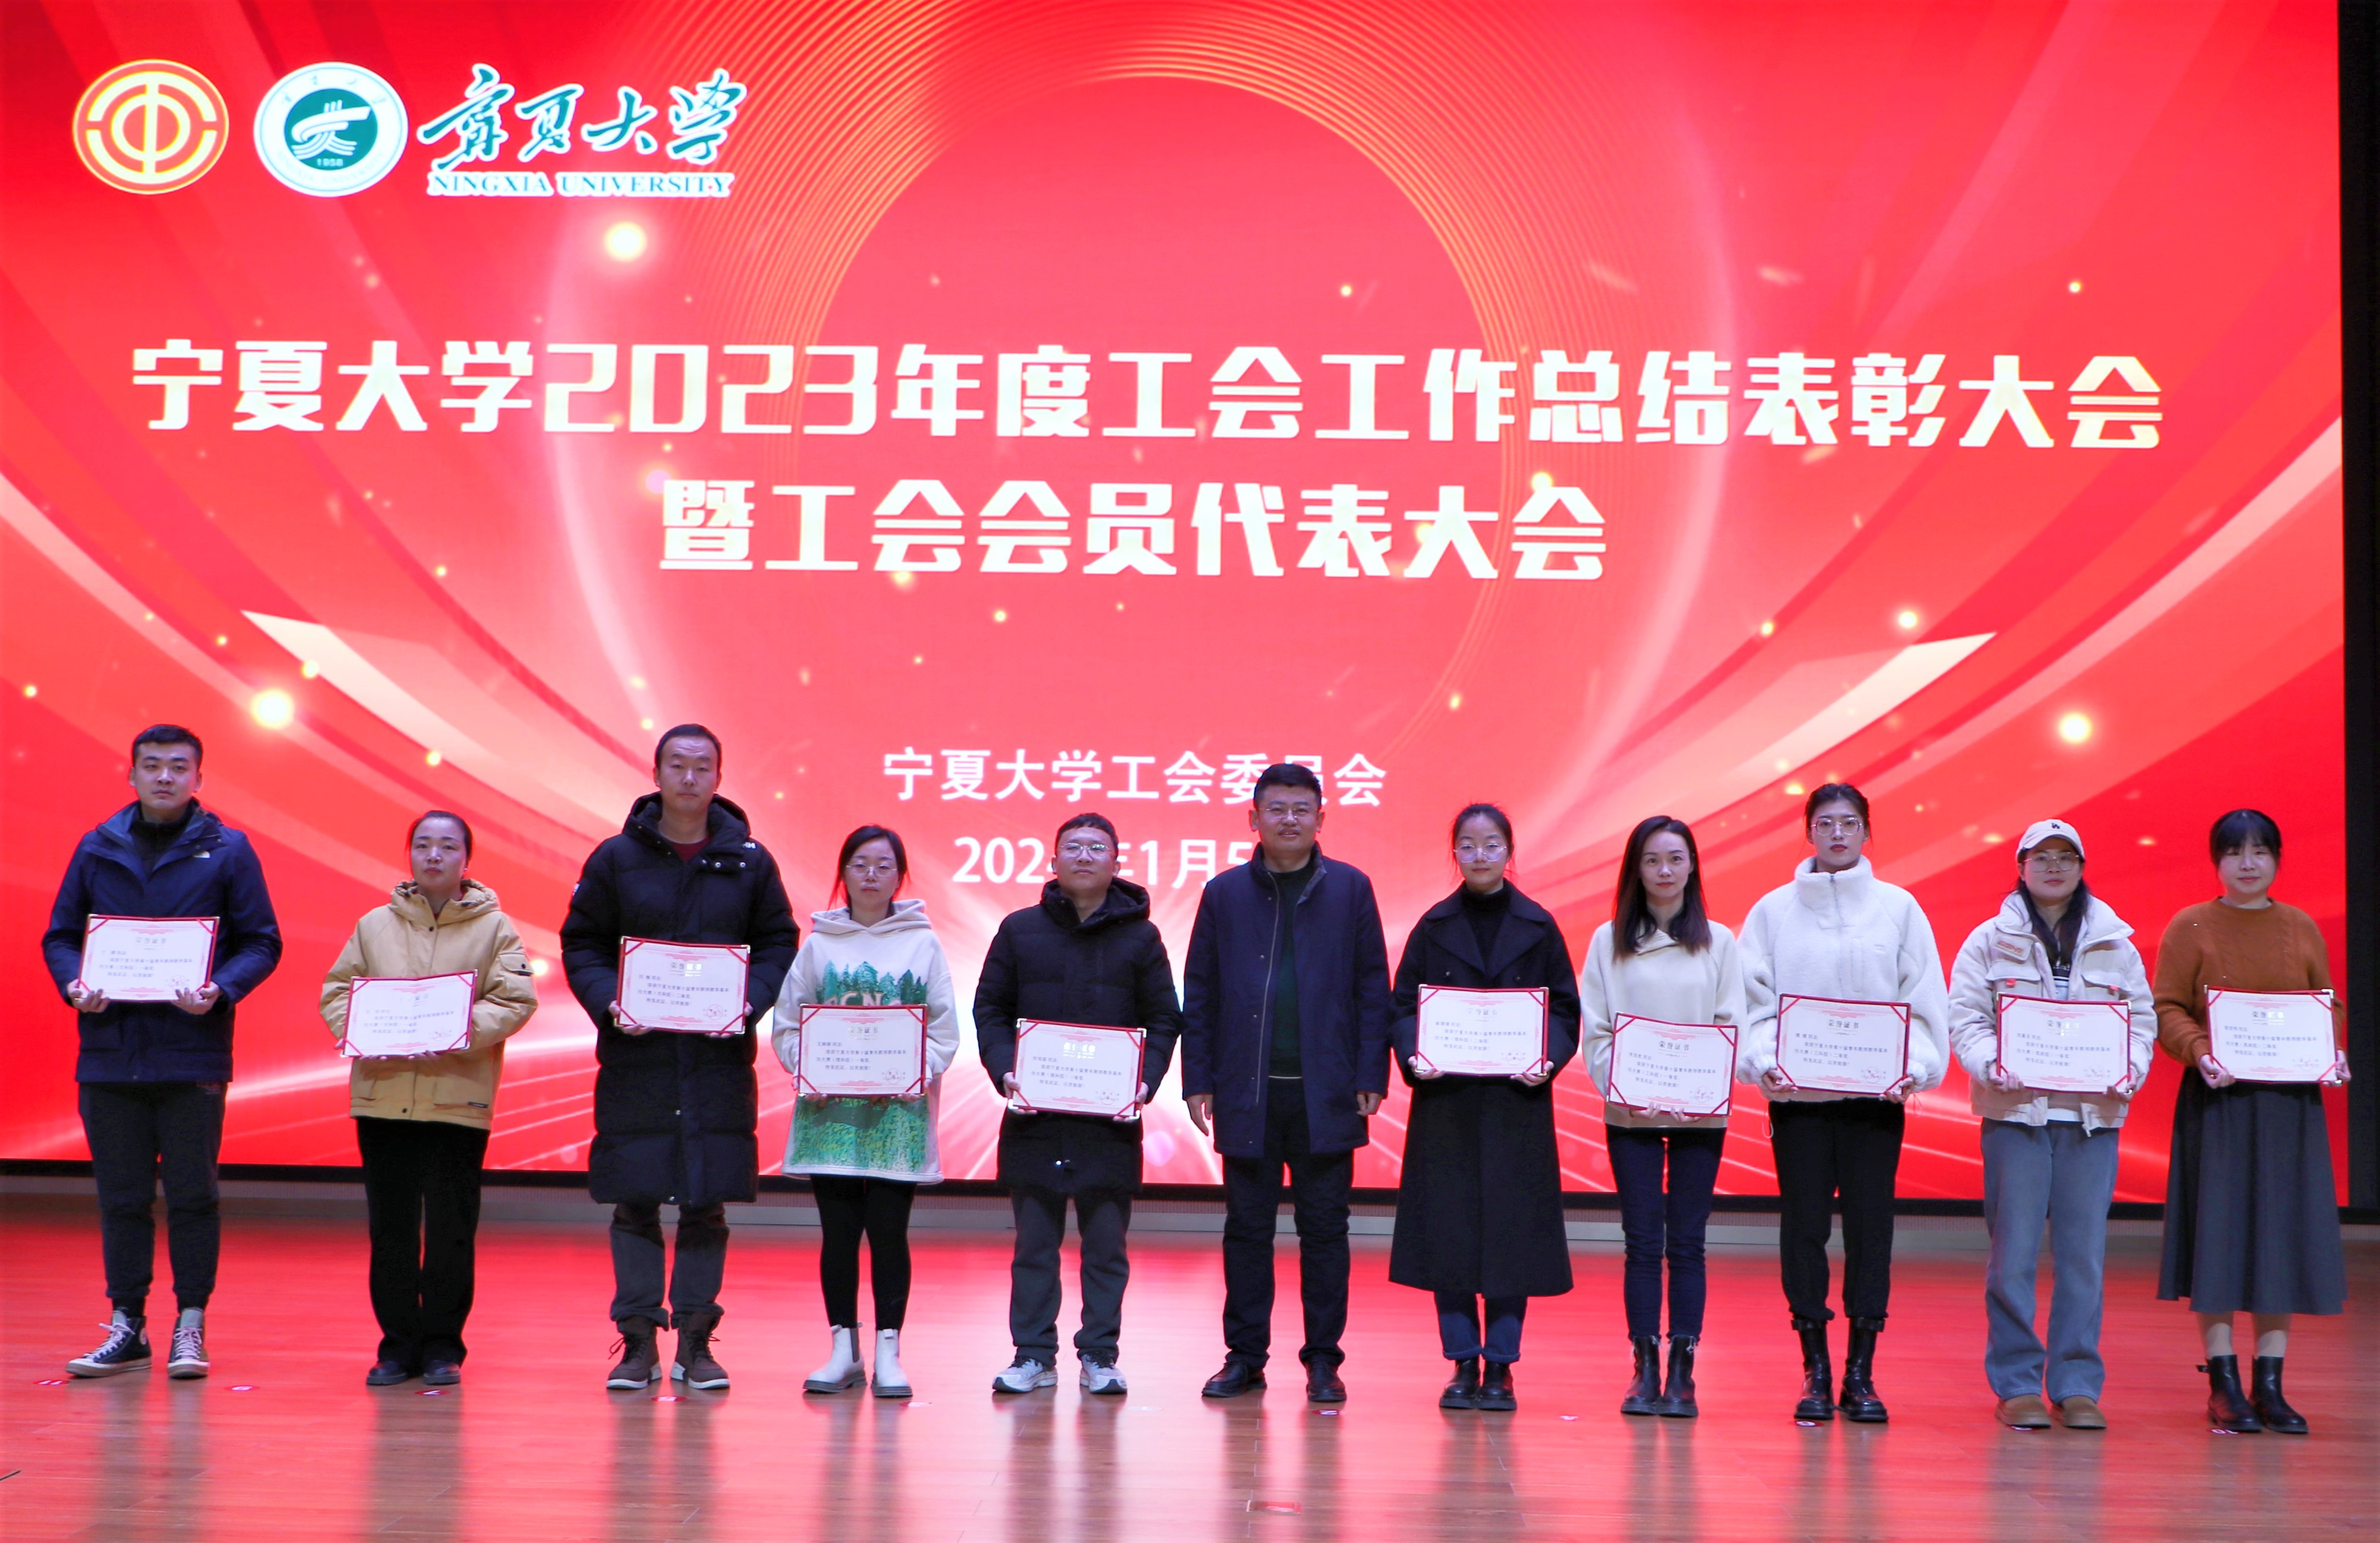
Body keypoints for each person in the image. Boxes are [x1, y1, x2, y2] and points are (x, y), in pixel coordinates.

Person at [560, 725, 798, 1392]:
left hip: (715, 1061)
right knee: (634, 1201)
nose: (690, 778)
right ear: (657, 773)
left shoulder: (750, 862)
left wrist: (746, 1003)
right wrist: (611, 1002)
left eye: (702, 768)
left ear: (718, 778)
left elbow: (778, 942)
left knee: (705, 1202)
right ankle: (637, 1341)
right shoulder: (615, 858)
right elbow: (582, 943)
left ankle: (696, 1341)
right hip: (638, 1059)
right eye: (678, 766)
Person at [48, 725, 282, 1381]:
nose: (164, 777)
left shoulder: (229, 850)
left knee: (192, 1196)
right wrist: (74, 984)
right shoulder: (97, 846)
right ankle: (127, 1325)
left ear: (198, 779)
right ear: (131, 775)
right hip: (110, 1051)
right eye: (151, 766)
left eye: (179, 767)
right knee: (121, 1198)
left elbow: (261, 941)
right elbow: (61, 936)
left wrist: (220, 989)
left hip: (192, 1052)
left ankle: (191, 1324)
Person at [1182, 763, 1393, 1404]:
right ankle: (1244, 1358)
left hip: (1325, 1091)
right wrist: (1198, 1079)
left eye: (1302, 809)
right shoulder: (1223, 893)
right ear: (1253, 818)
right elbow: (1200, 992)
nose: (1289, 820)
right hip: (1246, 1091)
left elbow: (1372, 988)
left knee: (1324, 1230)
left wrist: (1370, 1072)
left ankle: (1323, 1360)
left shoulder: (1351, 889)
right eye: (1276, 809)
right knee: (1246, 1229)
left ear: (1320, 819)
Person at [1737, 783, 1947, 1424]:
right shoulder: (1771, 912)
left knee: (1869, 1229)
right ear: (1809, 831)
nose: (1836, 833)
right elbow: (1751, 1005)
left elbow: (1923, 1002)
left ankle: (1860, 1372)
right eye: (1825, 822)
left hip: (1872, 1103)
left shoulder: (1898, 909)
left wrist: (1911, 1067)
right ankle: (1815, 1367)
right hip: (1799, 1102)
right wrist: (1765, 1060)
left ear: (1865, 832)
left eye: (1848, 823)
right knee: (1803, 1229)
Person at [318, 811, 539, 1387]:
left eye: (447, 846)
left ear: (467, 859)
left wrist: (457, 1029)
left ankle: (443, 1346)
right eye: (422, 845)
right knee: (390, 1228)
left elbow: (515, 1000)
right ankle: (396, 1347)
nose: (434, 855)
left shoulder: (495, 928)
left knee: (450, 1229)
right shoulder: (374, 925)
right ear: (410, 855)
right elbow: (337, 990)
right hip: (383, 1096)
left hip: (458, 1099)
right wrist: (361, 1028)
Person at [1946, 819, 2154, 1430]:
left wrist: (2129, 1069)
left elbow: (2139, 1022)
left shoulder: (2115, 942)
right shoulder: (1987, 940)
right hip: (2016, 1115)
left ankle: (2076, 1385)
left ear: (2081, 867)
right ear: (2020, 866)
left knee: (2082, 1259)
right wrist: (1992, 1064)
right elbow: (1966, 1018)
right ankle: (2016, 1384)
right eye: (2041, 857)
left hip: (2092, 1120)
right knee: (2011, 1256)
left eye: (2066, 857)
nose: (2053, 867)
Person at [2153, 808, 2349, 1435]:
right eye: (2233, 851)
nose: (2246, 863)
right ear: (2216, 861)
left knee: (2277, 1237)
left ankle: (2270, 1384)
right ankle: (2222, 1383)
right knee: (2218, 1236)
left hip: (2288, 1107)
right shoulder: (2189, 925)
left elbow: (2326, 1004)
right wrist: (2198, 1051)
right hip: (2219, 1101)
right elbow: (2167, 1007)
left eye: (2260, 851)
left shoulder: (2299, 926)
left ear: (2276, 860)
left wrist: (2330, 1049)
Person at [974, 812, 1180, 1396]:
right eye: (1073, 847)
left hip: (1108, 1120)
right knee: (1034, 1246)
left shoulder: (1141, 938)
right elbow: (989, 1009)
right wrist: (1005, 1069)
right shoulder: (1019, 930)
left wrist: (1145, 1081)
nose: (1084, 856)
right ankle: (1033, 1355)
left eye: (1096, 848)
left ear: (1116, 862)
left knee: (1106, 1247)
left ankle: (1099, 1354)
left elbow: (1164, 1018)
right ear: (1053, 860)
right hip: (1034, 1116)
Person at [1388, 804, 1580, 1414]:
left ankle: (1499, 1364)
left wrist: (1546, 1058)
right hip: (1446, 1101)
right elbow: (1402, 1006)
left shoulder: (1539, 926)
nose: (1479, 855)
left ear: (1508, 851)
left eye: (1491, 844)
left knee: (1509, 1232)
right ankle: (1460, 1360)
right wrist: (1414, 1053)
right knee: (1447, 1232)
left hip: (1514, 1101)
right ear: (1454, 853)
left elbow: (1564, 1010)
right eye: (1467, 845)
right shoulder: (1432, 925)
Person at [771, 825, 958, 1399]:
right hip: (829, 1115)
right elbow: (788, 1023)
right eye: (859, 864)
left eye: (883, 865)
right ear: (843, 873)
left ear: (899, 876)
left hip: (896, 1118)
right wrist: (808, 1068)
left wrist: (912, 1073)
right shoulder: (818, 944)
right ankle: (843, 1351)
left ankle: (888, 1353)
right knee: (837, 1235)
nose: (871, 874)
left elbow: (944, 1029)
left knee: (888, 1234)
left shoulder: (923, 944)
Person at [1579, 814, 1744, 1420]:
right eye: (1651, 860)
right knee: (1643, 1242)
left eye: (1675, 858)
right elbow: (1596, 1031)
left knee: (1688, 1243)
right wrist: (1624, 1086)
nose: (1664, 870)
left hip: (1701, 1114)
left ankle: (1682, 1368)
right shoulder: (1607, 941)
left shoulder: (1720, 941)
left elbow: (1731, 1024)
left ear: (1692, 865)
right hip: (1631, 1111)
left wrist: (1698, 1088)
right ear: (1635, 869)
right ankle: (1644, 1364)